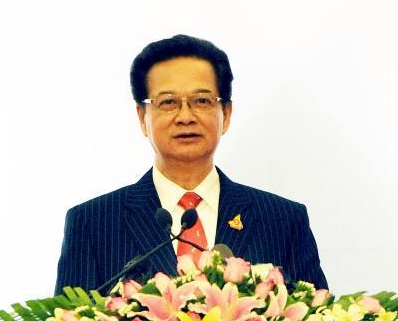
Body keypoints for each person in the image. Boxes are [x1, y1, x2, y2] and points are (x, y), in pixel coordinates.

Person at [55, 34, 327, 298]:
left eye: (202, 101)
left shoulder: (283, 220)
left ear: (226, 114)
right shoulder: (93, 223)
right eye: (168, 102)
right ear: (142, 116)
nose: (185, 116)